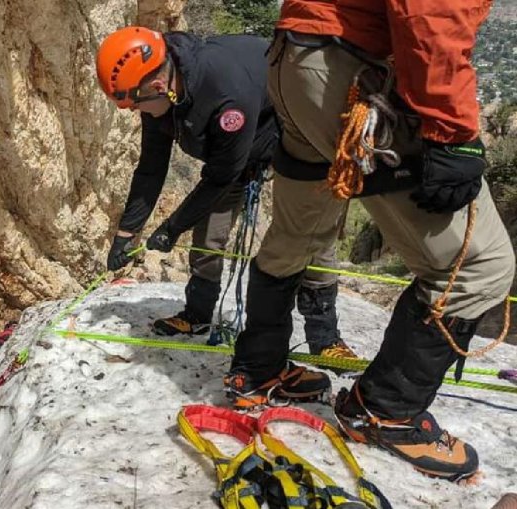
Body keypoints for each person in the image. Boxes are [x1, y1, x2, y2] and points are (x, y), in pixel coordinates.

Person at [225, 0, 515, 482]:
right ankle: (386, 411)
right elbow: (431, 13)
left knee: (299, 233)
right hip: (345, 72)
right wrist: (453, 133)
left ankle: (256, 370)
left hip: (295, 61)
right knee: (477, 266)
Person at [96, 26, 356, 359]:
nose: (134, 111)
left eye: (135, 105)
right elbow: (150, 169)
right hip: (233, 153)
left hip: (296, 138)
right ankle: (198, 314)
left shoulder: (224, 93)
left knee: (311, 235)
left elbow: (221, 176)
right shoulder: (157, 91)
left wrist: (172, 228)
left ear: (159, 86)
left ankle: (325, 337)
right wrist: (126, 232)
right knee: (209, 236)